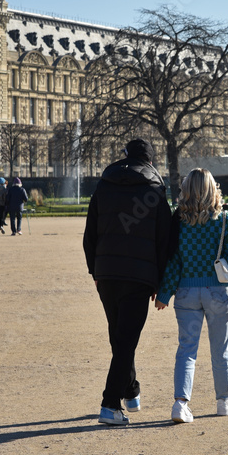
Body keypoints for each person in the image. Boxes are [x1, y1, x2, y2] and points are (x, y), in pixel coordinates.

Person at [84, 139, 172, 426]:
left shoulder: (104, 185)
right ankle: (110, 404)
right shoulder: (155, 190)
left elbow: (89, 235)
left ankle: (130, 390)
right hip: (139, 275)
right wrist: (160, 280)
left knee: (120, 337)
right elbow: (165, 240)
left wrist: (94, 271)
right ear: (149, 160)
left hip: (107, 272)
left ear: (125, 157)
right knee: (125, 340)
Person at [155, 168, 228, 424]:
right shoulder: (224, 220)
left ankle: (180, 404)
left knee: (186, 349)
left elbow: (173, 261)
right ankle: (223, 401)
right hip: (217, 291)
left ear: (186, 189)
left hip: (186, 291)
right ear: (212, 188)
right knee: (220, 350)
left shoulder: (179, 220)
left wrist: (164, 293)